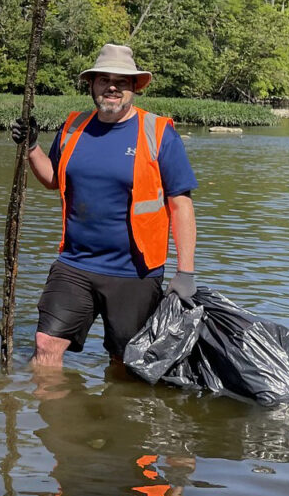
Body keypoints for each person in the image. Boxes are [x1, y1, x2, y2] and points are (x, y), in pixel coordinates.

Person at [12, 43, 197, 369]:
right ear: (91, 85)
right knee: (46, 344)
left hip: (135, 273)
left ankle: (114, 418)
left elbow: (180, 205)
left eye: (122, 81)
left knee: (124, 362)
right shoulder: (73, 127)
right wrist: (31, 147)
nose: (112, 87)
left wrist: (185, 273)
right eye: (104, 80)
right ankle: (52, 417)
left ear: (135, 88)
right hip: (74, 263)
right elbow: (53, 178)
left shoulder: (158, 133)